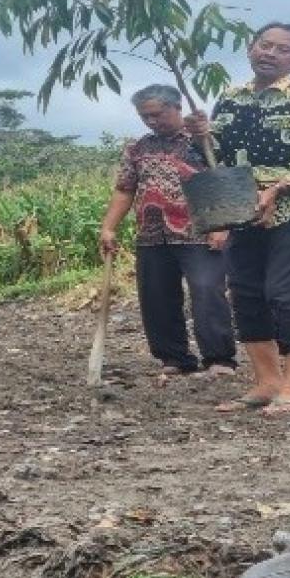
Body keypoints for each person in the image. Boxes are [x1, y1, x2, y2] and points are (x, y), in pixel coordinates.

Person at [184, 22, 290, 415]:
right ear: (251, 48)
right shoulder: (231, 97)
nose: (270, 53)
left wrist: (278, 189)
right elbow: (216, 155)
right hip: (243, 207)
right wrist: (201, 136)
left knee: (285, 293)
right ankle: (267, 382)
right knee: (246, 292)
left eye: (282, 49)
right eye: (264, 45)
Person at [99, 84, 238, 377]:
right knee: (157, 297)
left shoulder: (204, 142)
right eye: (144, 116)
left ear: (176, 108)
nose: (151, 121)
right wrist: (108, 227)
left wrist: (222, 225)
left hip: (198, 232)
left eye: (157, 114)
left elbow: (226, 181)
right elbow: (125, 189)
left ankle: (219, 358)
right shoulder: (137, 148)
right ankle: (174, 357)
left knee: (207, 291)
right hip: (152, 234)